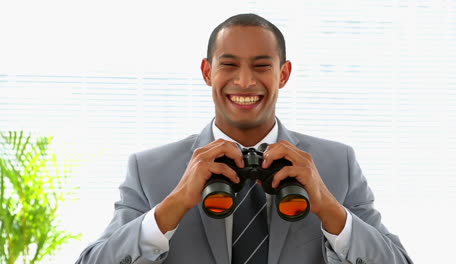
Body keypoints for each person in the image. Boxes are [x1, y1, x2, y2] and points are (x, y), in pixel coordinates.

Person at [76, 13, 412, 264]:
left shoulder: (337, 164)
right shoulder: (149, 169)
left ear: (284, 73)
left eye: (262, 66)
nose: (246, 81)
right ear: (208, 72)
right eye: (230, 65)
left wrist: (328, 207)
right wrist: (172, 206)